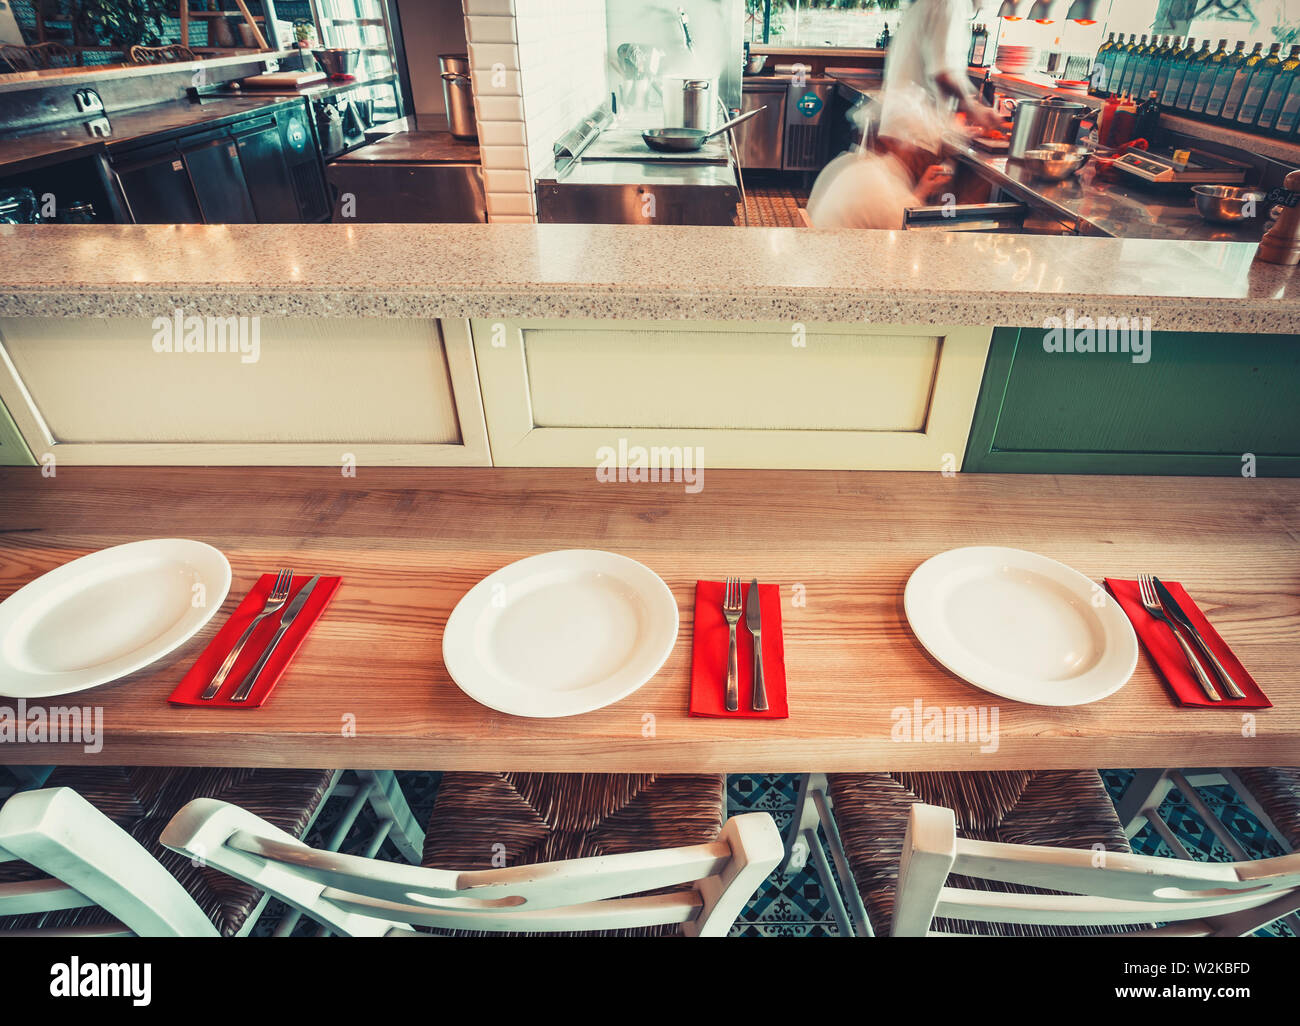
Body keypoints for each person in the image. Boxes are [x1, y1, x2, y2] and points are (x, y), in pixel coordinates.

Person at [808, 0, 1000, 229]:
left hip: (908, 119)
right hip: (915, 123)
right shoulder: (950, 4)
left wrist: (919, 193)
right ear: (905, 149)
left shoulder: (857, 170)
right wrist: (974, 109)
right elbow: (943, 74)